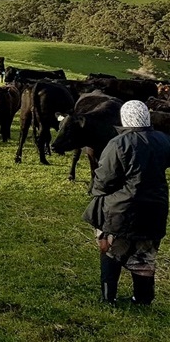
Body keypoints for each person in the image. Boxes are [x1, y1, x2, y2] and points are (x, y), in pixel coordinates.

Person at [82, 100, 170, 305]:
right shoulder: (164, 140)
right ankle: (143, 298)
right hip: (155, 208)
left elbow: (104, 179)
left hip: (122, 209)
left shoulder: (119, 143)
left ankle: (108, 296)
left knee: (111, 250)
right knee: (145, 254)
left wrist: (98, 192)